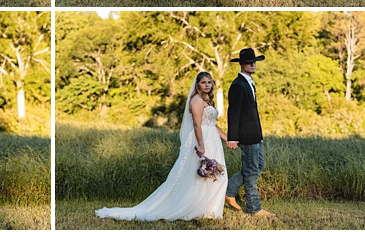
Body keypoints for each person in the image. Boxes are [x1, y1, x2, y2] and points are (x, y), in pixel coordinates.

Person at [96, 72, 230, 220]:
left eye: (209, 82)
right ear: (197, 84)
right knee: (202, 175)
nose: (207, 85)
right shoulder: (197, 100)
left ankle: (208, 208)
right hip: (202, 139)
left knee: (217, 175)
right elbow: (197, 125)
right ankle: (196, 207)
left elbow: (212, 124)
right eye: (204, 82)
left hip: (213, 140)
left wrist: (227, 139)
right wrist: (201, 146)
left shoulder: (207, 100)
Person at [224, 48, 275, 216]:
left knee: (259, 165)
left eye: (254, 61)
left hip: (254, 135)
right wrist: (232, 137)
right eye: (249, 62)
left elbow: (253, 112)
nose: (253, 64)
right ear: (241, 64)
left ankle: (229, 192)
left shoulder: (249, 82)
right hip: (245, 135)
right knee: (252, 172)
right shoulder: (238, 85)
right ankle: (254, 208)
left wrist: (259, 135)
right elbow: (234, 112)